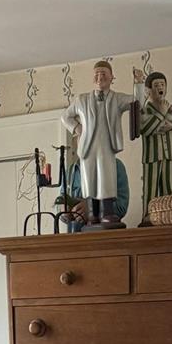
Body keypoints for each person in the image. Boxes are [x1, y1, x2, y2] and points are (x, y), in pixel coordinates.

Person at [61, 60, 146, 227]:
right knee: (90, 179)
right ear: (93, 78)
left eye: (104, 74)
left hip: (107, 145)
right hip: (88, 146)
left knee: (107, 178)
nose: (100, 77)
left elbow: (137, 102)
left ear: (111, 77)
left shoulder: (117, 98)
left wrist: (139, 84)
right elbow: (65, 117)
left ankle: (106, 213)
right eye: (97, 74)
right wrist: (78, 128)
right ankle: (93, 215)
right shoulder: (81, 100)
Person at [138, 71, 172, 216]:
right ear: (148, 90)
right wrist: (161, 113)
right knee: (151, 188)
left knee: (168, 187)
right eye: (156, 85)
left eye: (162, 84)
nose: (160, 87)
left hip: (168, 156)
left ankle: (169, 216)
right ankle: (148, 216)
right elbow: (145, 129)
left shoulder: (170, 107)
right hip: (152, 157)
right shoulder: (145, 110)